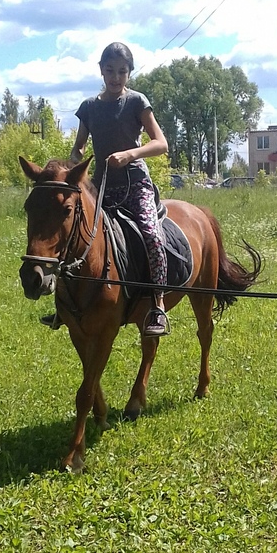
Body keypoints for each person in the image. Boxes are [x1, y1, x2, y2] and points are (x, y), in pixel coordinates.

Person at [66, 41, 171, 336]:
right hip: (99, 188)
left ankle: (158, 304)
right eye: (110, 70)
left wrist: (130, 154)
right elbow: (79, 146)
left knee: (152, 236)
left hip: (135, 184)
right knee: (74, 236)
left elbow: (161, 143)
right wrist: (75, 158)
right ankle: (67, 304)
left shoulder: (137, 102)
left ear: (129, 73)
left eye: (122, 71)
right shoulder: (89, 107)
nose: (116, 77)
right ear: (101, 70)